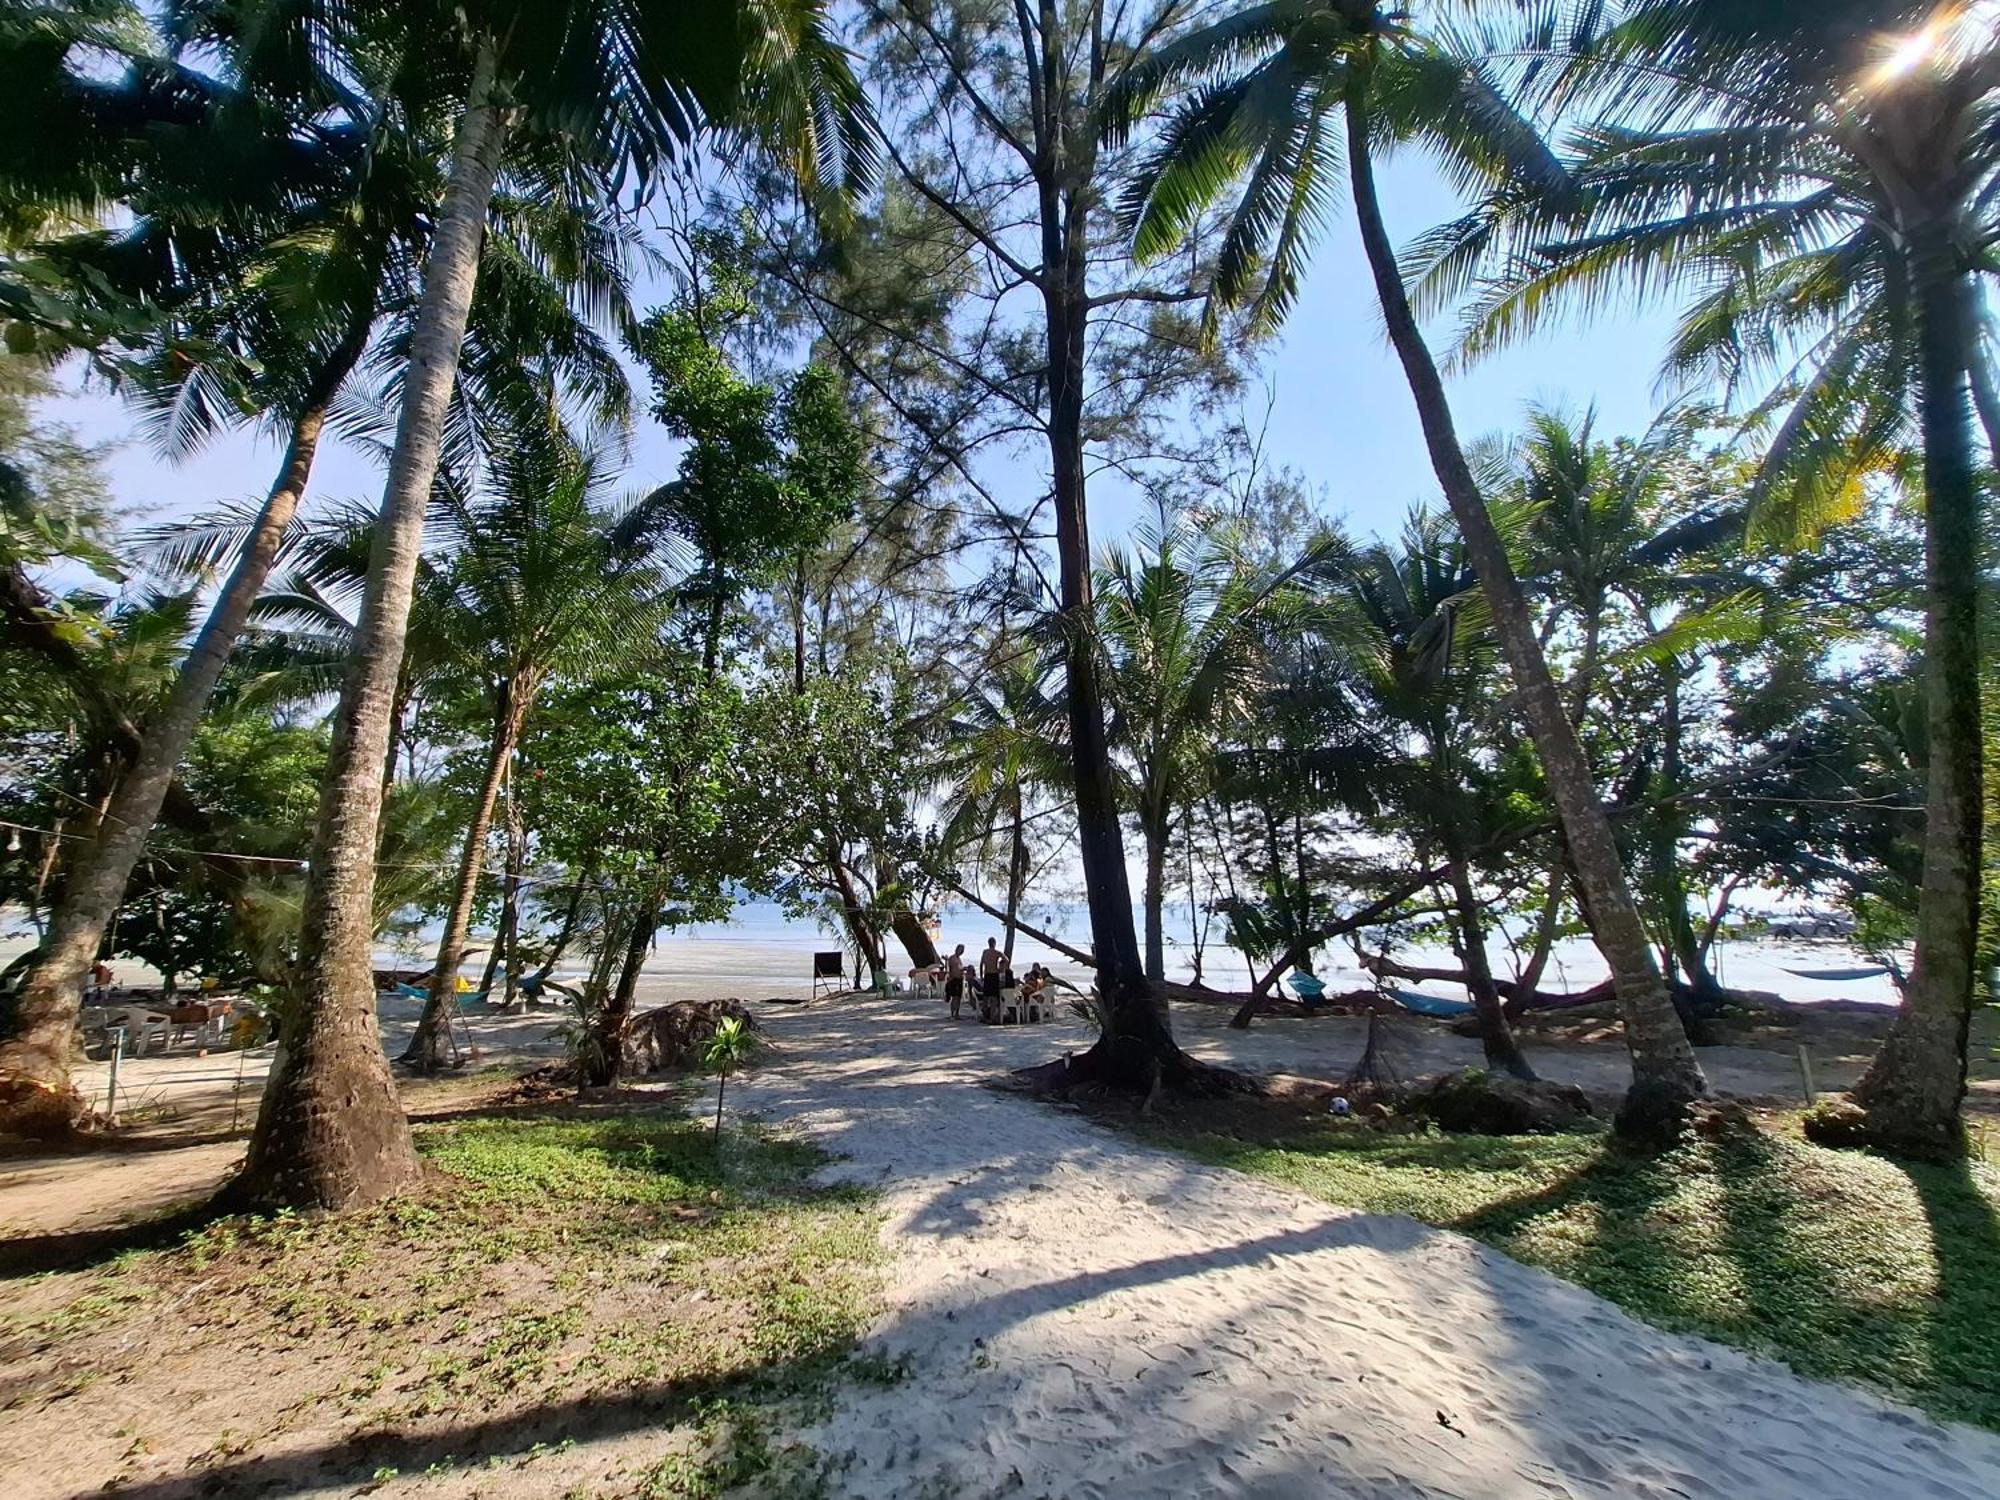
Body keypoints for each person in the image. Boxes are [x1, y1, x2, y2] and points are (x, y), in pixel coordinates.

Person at [944, 943, 967, 1020]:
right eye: (960, 950)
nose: (961, 952)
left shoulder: (959, 959)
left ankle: (957, 1013)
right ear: (957, 949)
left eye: (962, 951)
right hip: (954, 979)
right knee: (954, 997)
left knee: (959, 997)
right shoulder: (952, 958)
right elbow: (952, 969)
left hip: (960, 979)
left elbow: (959, 968)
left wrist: (963, 969)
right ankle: (952, 1014)